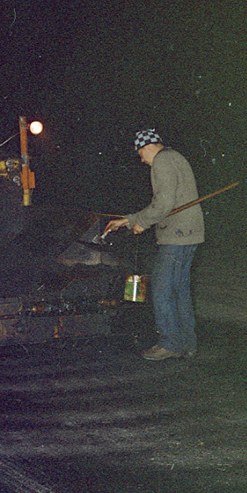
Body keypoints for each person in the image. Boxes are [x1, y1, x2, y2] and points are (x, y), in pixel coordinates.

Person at [104, 128, 204, 361]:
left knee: (161, 289)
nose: (143, 161)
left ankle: (169, 344)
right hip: (189, 232)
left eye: (141, 154)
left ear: (147, 146)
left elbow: (163, 203)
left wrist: (143, 223)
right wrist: (128, 221)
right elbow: (169, 201)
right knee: (179, 290)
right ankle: (187, 343)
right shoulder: (175, 157)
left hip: (176, 234)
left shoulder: (161, 161)